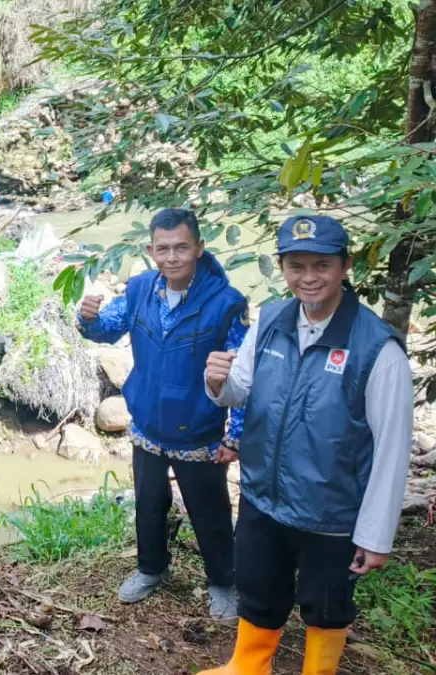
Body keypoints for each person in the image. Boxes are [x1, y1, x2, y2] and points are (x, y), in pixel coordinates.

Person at [200, 215, 412, 675]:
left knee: (326, 604)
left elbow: (393, 450)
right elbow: (238, 390)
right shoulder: (272, 319)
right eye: (296, 266)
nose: (309, 278)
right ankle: (247, 667)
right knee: (258, 589)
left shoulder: (377, 349)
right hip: (263, 498)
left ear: (345, 266)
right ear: (282, 267)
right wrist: (216, 381)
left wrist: (375, 536)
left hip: (331, 516)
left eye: (322, 265)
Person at [77, 208, 247, 622]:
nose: (173, 257)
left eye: (182, 247)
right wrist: (87, 318)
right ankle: (151, 569)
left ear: (199, 248)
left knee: (210, 511)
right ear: (151, 250)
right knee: (149, 504)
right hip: (148, 426)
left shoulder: (226, 304)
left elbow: (244, 374)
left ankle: (223, 582)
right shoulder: (139, 290)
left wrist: (235, 436)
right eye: (164, 249)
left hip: (200, 430)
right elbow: (107, 329)